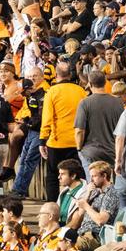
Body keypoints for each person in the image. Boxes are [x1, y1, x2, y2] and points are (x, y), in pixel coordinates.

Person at [40, 61, 88, 202]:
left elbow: (47, 118)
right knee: (79, 176)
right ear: (70, 74)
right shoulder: (80, 91)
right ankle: (78, 205)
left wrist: (42, 139)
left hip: (57, 142)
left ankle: (52, 207)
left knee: (53, 176)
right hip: (77, 141)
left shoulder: (52, 92)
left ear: (56, 74)